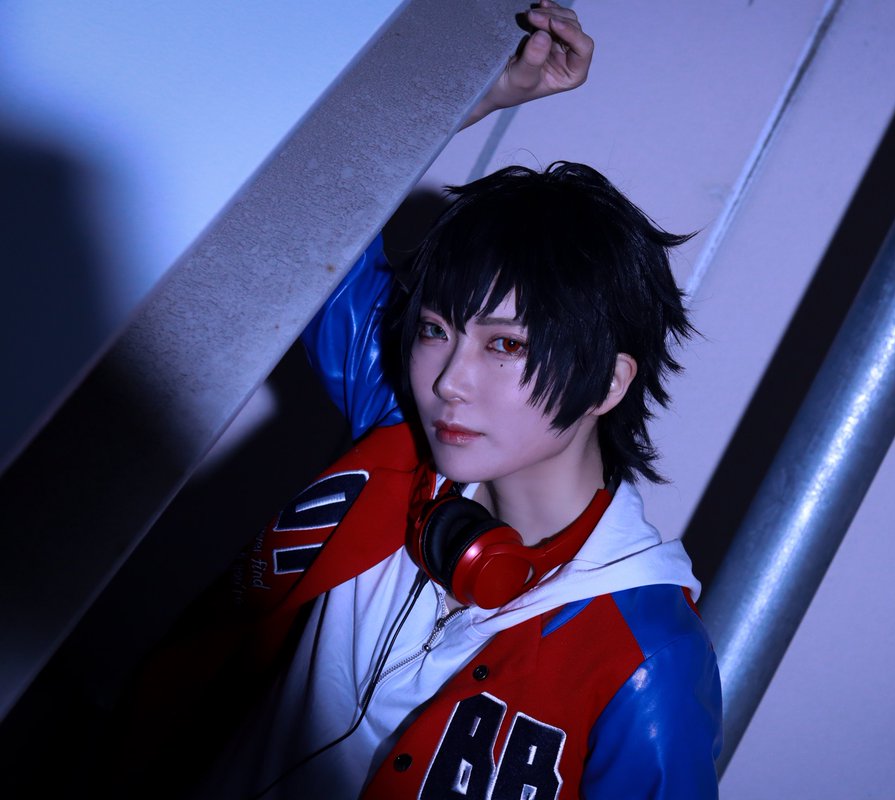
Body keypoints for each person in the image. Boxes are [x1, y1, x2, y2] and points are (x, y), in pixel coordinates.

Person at [115, 4, 721, 798]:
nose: (448, 380)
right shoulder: (398, 427)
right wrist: (478, 96)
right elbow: (305, 205)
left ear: (608, 381)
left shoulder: (646, 661)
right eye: (436, 329)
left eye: (505, 345)